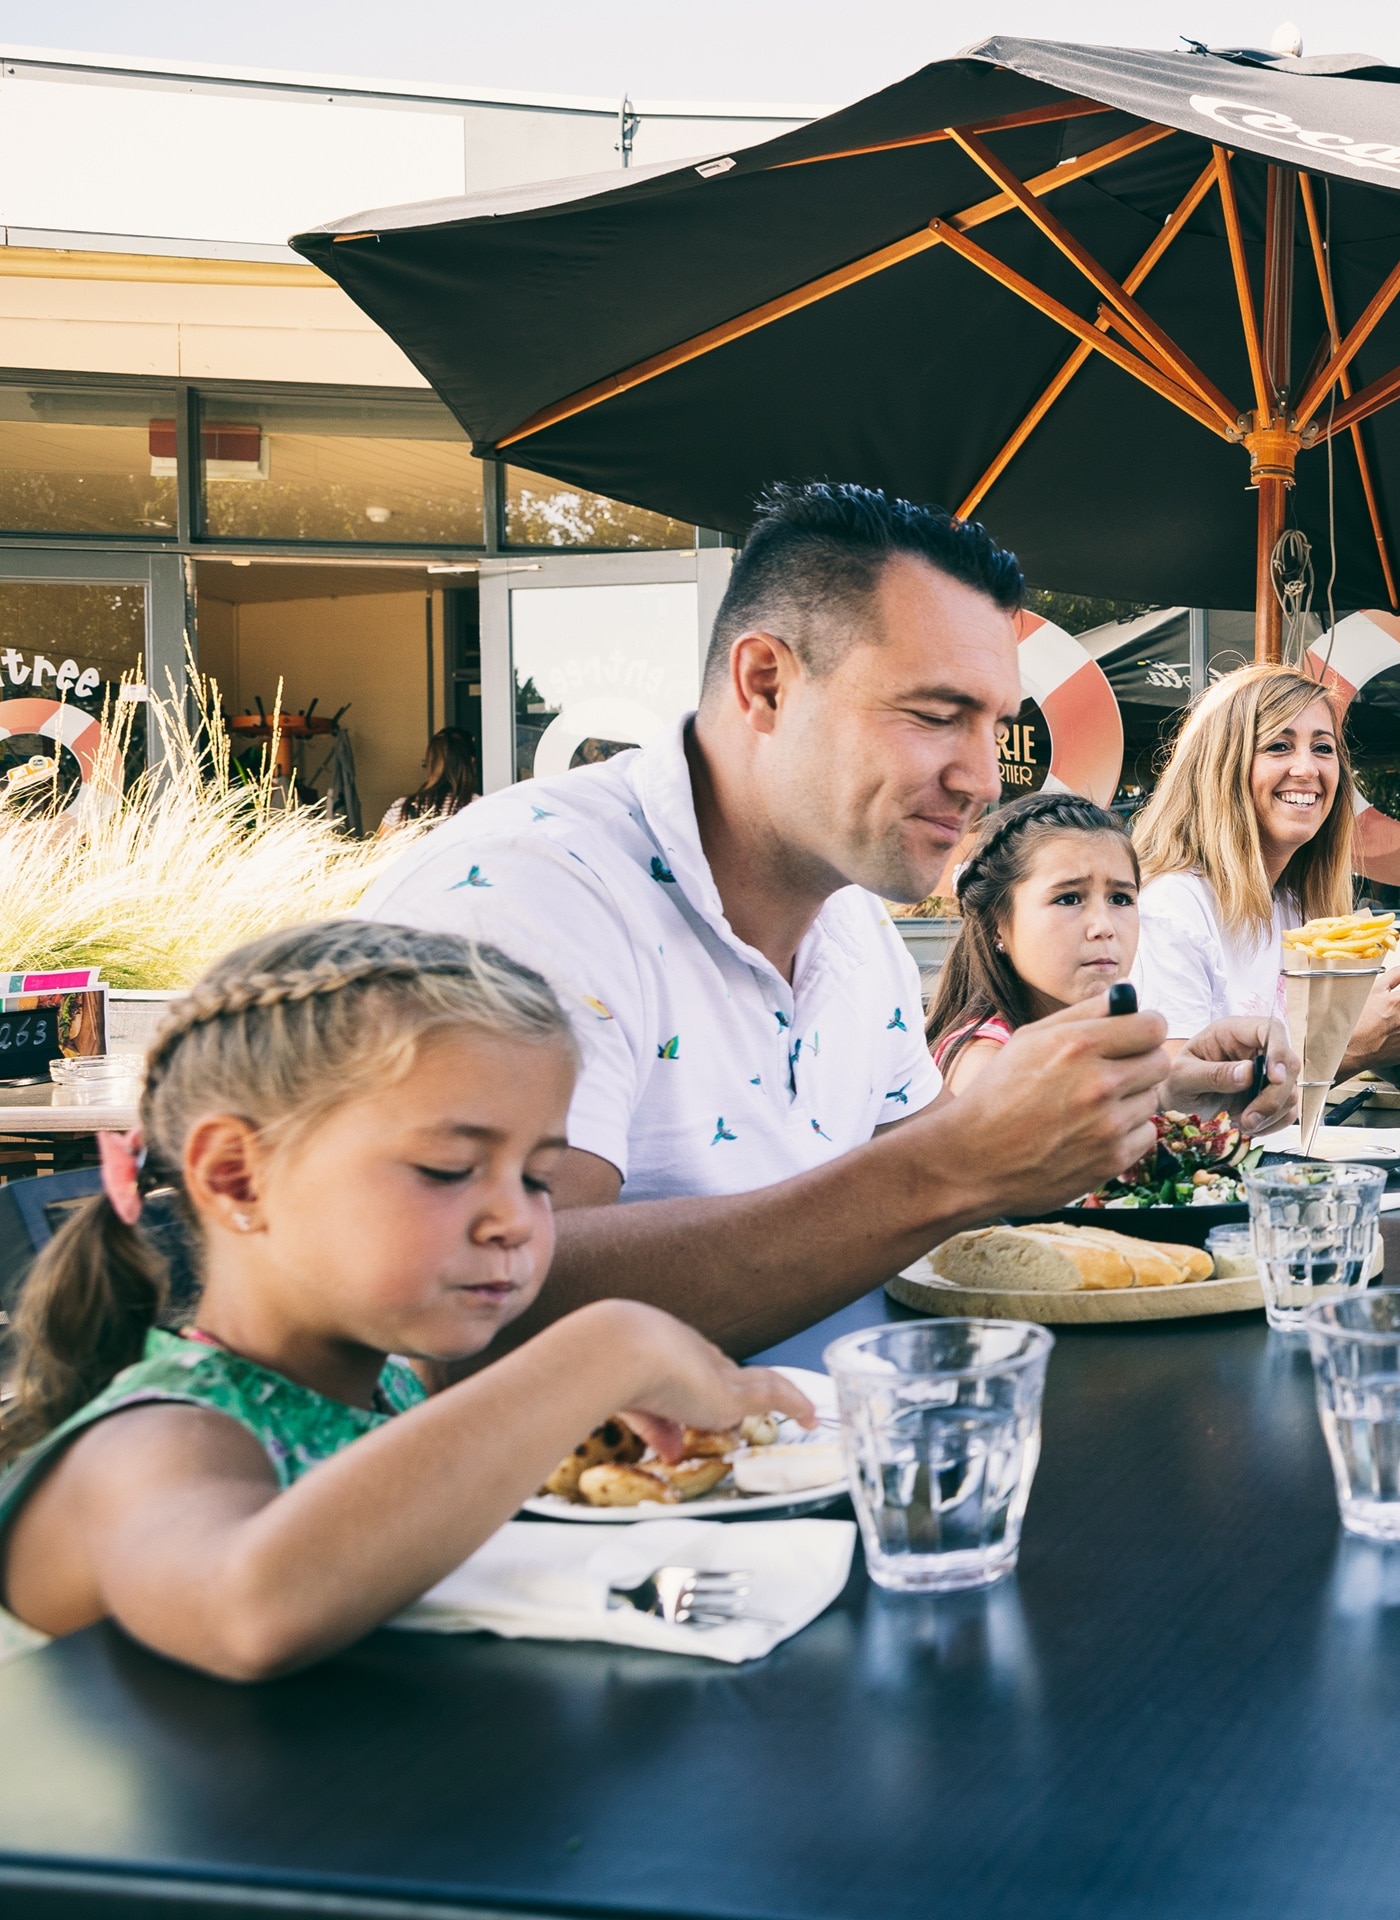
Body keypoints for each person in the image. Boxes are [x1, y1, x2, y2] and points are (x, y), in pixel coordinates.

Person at [363, 483, 1290, 1362]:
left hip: (861, 1459)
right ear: (765, 682)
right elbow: (477, 1306)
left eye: (993, 725)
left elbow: (934, 1202)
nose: (984, 776)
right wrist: (955, 1166)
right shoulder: (534, 892)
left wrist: (1148, 1105)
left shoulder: (848, 921)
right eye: (937, 715)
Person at [0, 920, 807, 1679]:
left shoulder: (389, 1381)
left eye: (537, 1177)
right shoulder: (152, 1441)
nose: (516, 1222)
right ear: (236, 1176)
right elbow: (249, 1609)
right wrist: (606, 1351)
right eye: (449, 1170)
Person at [1131, 664, 1400, 1074]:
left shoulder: (1292, 905)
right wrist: (1352, 1046)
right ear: (1219, 766)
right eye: (1278, 746)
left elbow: (1307, 1052)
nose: (1307, 769)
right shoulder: (1170, 906)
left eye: (1322, 748)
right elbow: (1178, 1101)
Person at [927, 790, 1256, 1107]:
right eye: (1069, 898)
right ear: (997, 921)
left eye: (1120, 899)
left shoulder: (1107, 1042)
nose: (1104, 927)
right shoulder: (987, 1065)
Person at [377, 728, 479, 833]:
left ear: (430, 763)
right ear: (471, 762)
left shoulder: (402, 808)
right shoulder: (479, 807)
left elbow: (378, 848)